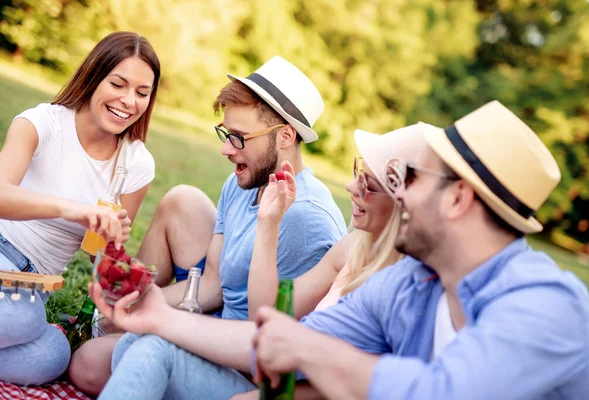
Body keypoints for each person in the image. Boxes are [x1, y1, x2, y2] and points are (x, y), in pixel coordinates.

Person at [250, 101, 589, 400]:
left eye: (415, 179)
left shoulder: (547, 305)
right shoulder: (418, 279)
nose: (400, 194)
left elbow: (439, 393)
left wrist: (306, 349)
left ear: (458, 198)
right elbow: (277, 339)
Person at [70, 56, 348, 395]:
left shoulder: (308, 219)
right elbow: (215, 282)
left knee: (98, 363)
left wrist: (177, 330)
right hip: (216, 326)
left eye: (240, 137)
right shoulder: (243, 182)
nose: (225, 149)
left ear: (286, 136)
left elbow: (273, 345)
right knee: (89, 360)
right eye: (226, 134)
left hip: (245, 367)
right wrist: (139, 301)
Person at [88, 124, 425, 400]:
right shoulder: (354, 248)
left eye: (368, 184)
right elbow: (265, 321)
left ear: (405, 203)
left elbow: (356, 381)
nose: (352, 186)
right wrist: (268, 224)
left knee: (151, 351)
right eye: (357, 171)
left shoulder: (404, 284)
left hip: (276, 388)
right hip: (269, 377)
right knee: (133, 345)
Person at [0, 31, 160, 386]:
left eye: (142, 93)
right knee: (24, 323)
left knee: (52, 356)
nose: (128, 100)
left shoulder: (136, 164)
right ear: (93, 76)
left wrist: (112, 244)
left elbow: (98, 258)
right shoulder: (42, 123)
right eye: (118, 84)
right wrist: (72, 209)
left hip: (34, 288)